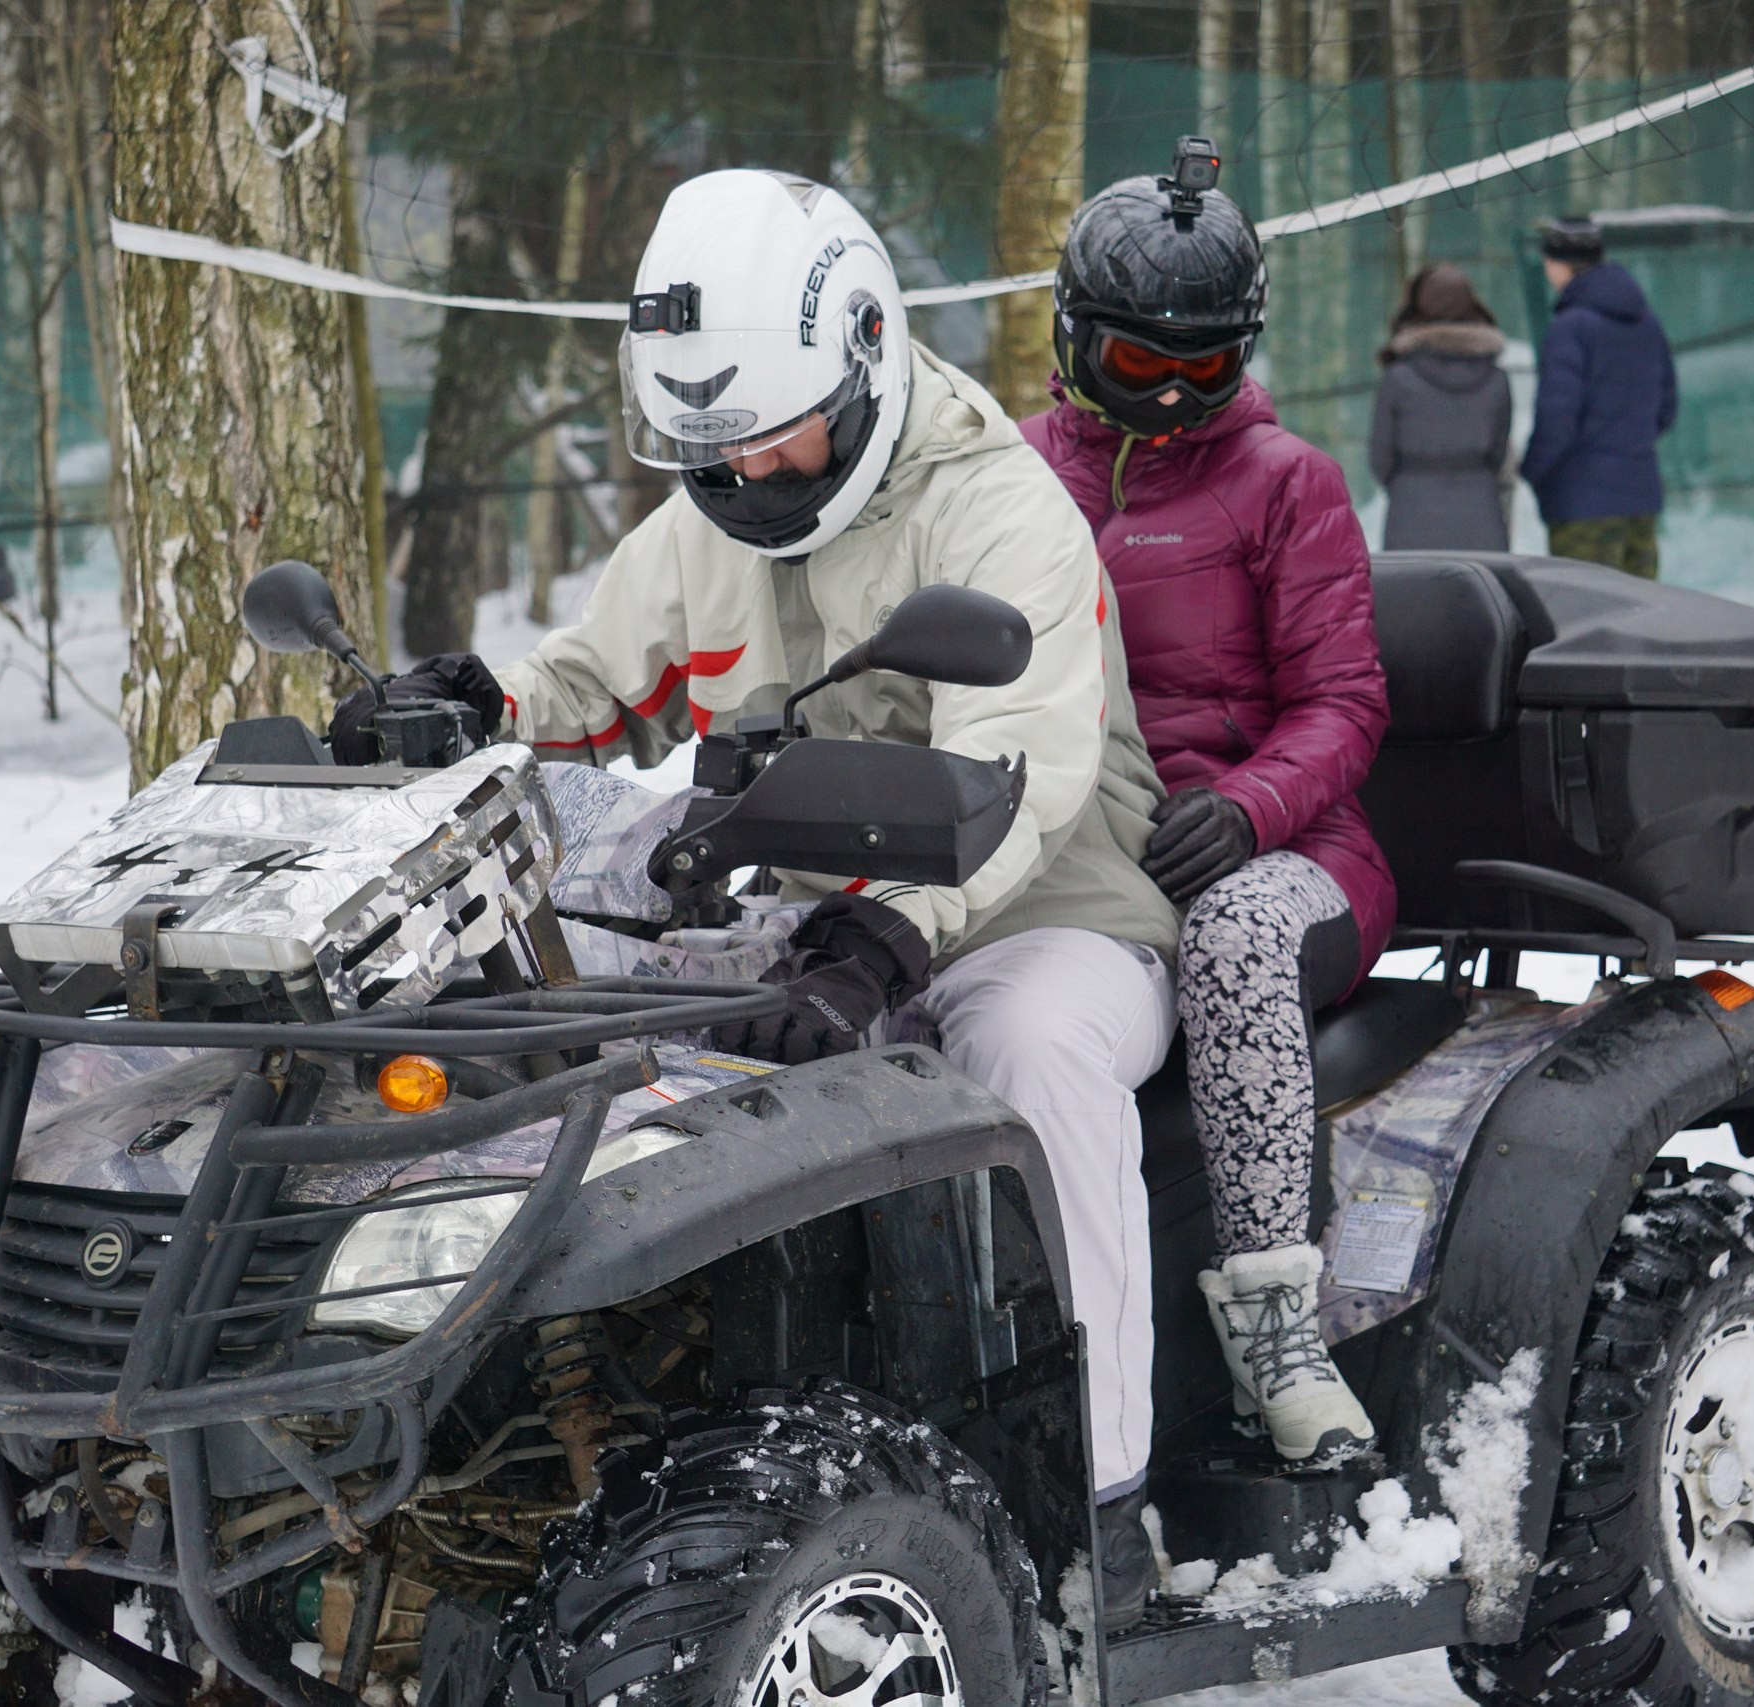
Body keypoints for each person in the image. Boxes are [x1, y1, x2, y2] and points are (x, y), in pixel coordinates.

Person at [332, 169, 1183, 1631]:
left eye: (770, 432)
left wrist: (889, 932)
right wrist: (477, 699)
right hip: (810, 913)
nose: (743, 471)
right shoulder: (723, 506)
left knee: (1029, 1053)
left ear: (862, 355)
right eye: (705, 441)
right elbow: (602, 680)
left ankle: (1099, 1505)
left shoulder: (998, 511)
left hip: (1046, 906)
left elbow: (1023, 774)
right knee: (580, 1042)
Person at [1019, 148, 1395, 1479]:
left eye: (1206, 369)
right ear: (1075, 341)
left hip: (1290, 857)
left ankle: (1282, 1343)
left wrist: (1246, 808)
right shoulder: (1010, 483)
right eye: (1139, 368)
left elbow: (1345, 702)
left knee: (1234, 934)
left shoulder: (1287, 482)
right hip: (1087, 840)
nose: (1174, 399)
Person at [1520, 215, 1678, 578]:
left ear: (1559, 264)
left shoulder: (1570, 327)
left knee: (1585, 617)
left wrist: (1534, 470)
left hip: (1582, 508)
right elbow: (1667, 409)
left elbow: (1557, 417)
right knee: (1639, 618)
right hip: (1641, 497)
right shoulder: (1646, 322)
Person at [1368, 263, 1511, 551]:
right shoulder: (1497, 379)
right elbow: (1499, 455)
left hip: (1410, 516)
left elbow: (1379, 459)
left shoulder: (1398, 378)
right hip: (1481, 517)